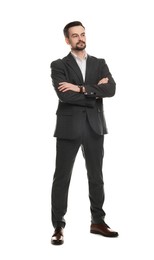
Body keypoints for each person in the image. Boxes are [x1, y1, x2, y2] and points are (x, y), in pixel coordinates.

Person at [50, 21, 118, 245]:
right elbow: (64, 97)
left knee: (96, 176)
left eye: (83, 34)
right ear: (67, 40)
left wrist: (80, 88)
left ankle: (97, 221)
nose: (80, 38)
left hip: (94, 126)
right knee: (62, 177)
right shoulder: (59, 65)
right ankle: (58, 226)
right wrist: (94, 91)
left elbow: (111, 90)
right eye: (75, 35)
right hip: (69, 128)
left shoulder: (100, 63)